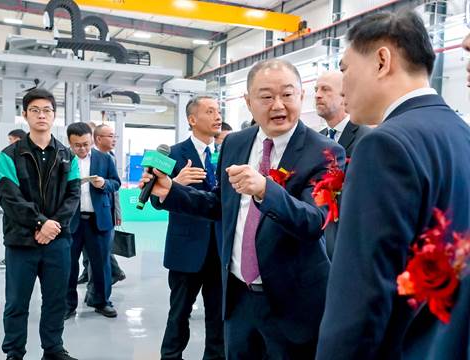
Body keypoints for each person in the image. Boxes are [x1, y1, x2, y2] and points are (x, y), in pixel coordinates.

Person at [143, 59, 345, 359]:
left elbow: (315, 221)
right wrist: (172, 191)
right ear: (248, 102)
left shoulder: (326, 153)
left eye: (287, 94)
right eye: (266, 96)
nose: (278, 104)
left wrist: (266, 190)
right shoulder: (235, 143)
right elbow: (219, 204)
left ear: (301, 97)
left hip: (291, 303)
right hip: (238, 296)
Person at [316, 11, 470, 360]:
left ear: (382, 61)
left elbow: (361, 296)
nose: (343, 85)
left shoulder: (384, 145)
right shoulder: (462, 135)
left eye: (344, 69)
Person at [0, 88, 80, 360]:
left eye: (47, 110)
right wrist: (41, 223)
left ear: (54, 116)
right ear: (25, 115)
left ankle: (53, 349)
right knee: (17, 303)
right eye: (35, 110)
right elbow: (9, 197)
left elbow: (73, 196)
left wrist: (52, 226)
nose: (41, 115)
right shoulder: (8, 156)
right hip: (21, 241)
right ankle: (14, 352)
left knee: (56, 300)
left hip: (58, 241)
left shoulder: (68, 156)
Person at [154, 96, 224, 360]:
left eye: (218, 111)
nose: (217, 116)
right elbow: (153, 201)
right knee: (179, 313)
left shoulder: (227, 153)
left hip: (220, 249)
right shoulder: (171, 153)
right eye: (210, 111)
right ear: (192, 120)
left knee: (218, 315)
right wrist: (177, 183)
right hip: (186, 249)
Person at [65, 122, 121, 319]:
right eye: (77, 145)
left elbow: (116, 183)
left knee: (101, 264)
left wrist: (104, 183)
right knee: (69, 265)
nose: (82, 149)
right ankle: (67, 305)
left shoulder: (104, 159)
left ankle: (102, 301)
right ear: (69, 143)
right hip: (72, 221)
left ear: (92, 140)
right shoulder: (63, 160)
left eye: (86, 144)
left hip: (99, 220)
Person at [314, 71, 371, 258]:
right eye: (316, 89)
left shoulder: (366, 138)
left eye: (325, 89)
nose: (317, 94)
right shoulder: (316, 139)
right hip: (319, 236)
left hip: (347, 242)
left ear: (344, 96)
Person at [76, 124, 126, 287]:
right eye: (110, 136)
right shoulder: (77, 158)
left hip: (102, 214)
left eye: (114, 136)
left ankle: (113, 275)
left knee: (101, 253)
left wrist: (117, 213)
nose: (114, 140)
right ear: (98, 138)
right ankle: (87, 273)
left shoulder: (107, 158)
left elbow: (114, 189)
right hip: (79, 216)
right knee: (87, 252)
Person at [0, 129, 28, 270]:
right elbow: (7, 190)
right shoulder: (7, 156)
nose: (9, 143)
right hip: (15, 213)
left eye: (11, 139)